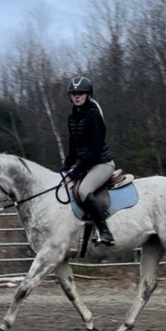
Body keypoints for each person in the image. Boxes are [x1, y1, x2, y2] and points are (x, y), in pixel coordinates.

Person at [61, 75, 116, 245]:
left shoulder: (93, 115)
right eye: (74, 94)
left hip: (102, 163)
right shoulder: (72, 118)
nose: (77, 96)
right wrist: (65, 167)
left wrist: (77, 170)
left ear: (88, 94)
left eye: (81, 93)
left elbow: (94, 149)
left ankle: (105, 231)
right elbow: (73, 148)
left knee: (83, 191)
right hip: (85, 165)